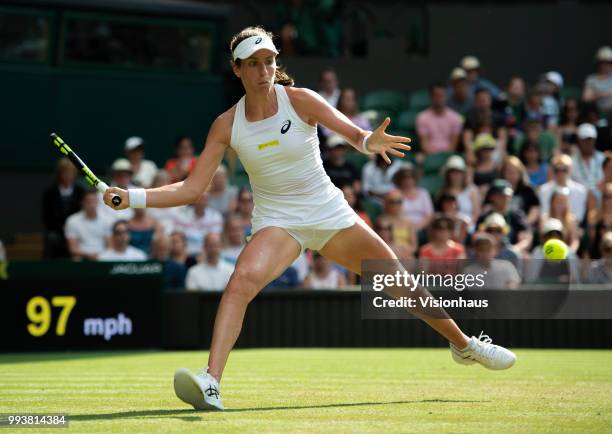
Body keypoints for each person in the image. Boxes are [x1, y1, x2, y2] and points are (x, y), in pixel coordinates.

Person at [103, 26, 515, 411]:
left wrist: (367, 141)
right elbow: (192, 189)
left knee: (398, 283)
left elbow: (354, 135)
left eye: (268, 61)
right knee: (241, 282)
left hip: (327, 211)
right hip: (278, 221)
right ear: (237, 70)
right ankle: (211, 381)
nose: (263, 71)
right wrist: (134, 197)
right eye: (253, 64)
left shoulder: (300, 100)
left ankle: (464, 345)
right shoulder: (226, 125)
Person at [42, 158, 85, 258]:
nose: (67, 175)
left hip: (77, 231)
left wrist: (72, 227)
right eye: (64, 171)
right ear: (59, 173)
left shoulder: (81, 192)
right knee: (52, 239)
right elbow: (46, 217)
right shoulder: (49, 193)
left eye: (70, 172)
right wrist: (63, 228)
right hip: (57, 232)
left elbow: (82, 213)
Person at [477, 179, 532, 254]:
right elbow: (476, 237)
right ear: (492, 197)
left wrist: (515, 250)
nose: (505, 198)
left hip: (510, 254)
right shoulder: (484, 217)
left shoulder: (516, 216)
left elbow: (526, 239)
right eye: (501, 195)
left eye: (508, 195)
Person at [539, 154, 589, 224]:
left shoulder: (580, 190)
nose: (561, 173)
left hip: (571, 227)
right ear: (552, 170)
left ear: (570, 169)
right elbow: (544, 213)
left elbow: (578, 216)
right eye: (557, 170)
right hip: (550, 225)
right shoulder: (544, 190)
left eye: (564, 169)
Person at [171, 191, 224, 256]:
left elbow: (214, 240)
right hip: (185, 255)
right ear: (194, 199)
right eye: (199, 199)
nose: (201, 202)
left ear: (208, 200)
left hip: (206, 254)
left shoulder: (215, 216)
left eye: (204, 199)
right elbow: (179, 238)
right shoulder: (181, 215)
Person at [416, 83, 463, 155]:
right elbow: (424, 144)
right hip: (428, 155)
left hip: (449, 155)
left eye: (441, 96)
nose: (439, 99)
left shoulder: (456, 118)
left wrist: (444, 157)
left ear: (446, 97)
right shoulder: (422, 117)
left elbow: (453, 146)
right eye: (436, 96)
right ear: (431, 97)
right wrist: (434, 158)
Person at [65, 190, 112, 260]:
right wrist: (89, 255)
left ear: (98, 203)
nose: (92, 205)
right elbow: (72, 249)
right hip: (81, 258)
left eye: (94, 201)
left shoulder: (107, 220)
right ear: (82, 203)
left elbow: (109, 246)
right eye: (88, 202)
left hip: (102, 258)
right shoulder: (72, 221)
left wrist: (101, 256)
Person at [441, 155, 481, 228]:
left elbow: (476, 213)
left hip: (470, 227)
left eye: (459, 172)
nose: (456, 175)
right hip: (450, 228)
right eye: (453, 172)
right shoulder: (444, 192)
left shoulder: (472, 190)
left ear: (463, 174)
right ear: (448, 174)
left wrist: (468, 226)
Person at [392, 163, 434, 231]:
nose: (408, 181)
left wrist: (417, 227)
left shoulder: (423, 193)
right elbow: (394, 214)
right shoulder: (395, 194)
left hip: (422, 228)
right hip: (402, 227)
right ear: (400, 179)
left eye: (410, 178)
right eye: (404, 178)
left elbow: (429, 215)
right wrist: (409, 227)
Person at [500, 156, 540, 226]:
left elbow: (535, 209)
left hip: (523, 226)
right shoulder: (498, 189)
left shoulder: (528, 190)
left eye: (514, 172)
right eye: (509, 172)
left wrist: (526, 223)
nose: (512, 175)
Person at [540, 187, 580, 253]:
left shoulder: (572, 220)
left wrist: (569, 252)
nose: (560, 205)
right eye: (557, 201)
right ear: (552, 203)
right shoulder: (544, 218)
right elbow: (543, 239)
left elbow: (574, 241)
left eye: (562, 202)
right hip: (548, 251)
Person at [571, 123, 605, 198]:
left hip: (602, 199)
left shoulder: (603, 158)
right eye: (585, 140)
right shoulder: (571, 161)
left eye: (590, 139)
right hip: (579, 199)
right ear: (579, 141)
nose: (588, 143)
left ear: (595, 140)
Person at [582, 46, 612, 119]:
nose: (605, 66)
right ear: (598, 63)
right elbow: (586, 98)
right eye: (602, 63)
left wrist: (600, 94)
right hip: (597, 114)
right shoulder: (591, 79)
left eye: (608, 63)